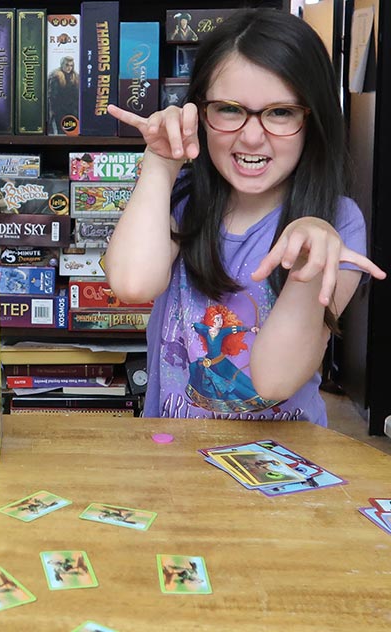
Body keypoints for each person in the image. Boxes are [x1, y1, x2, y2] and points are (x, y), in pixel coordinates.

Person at [105, 9, 385, 426]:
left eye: (280, 113)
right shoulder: (182, 198)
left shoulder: (338, 224)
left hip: (277, 469)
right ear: (199, 113)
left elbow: (274, 381)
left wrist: (310, 261)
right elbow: (131, 284)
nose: (252, 137)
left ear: (313, 119)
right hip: (171, 458)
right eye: (230, 109)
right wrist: (160, 163)